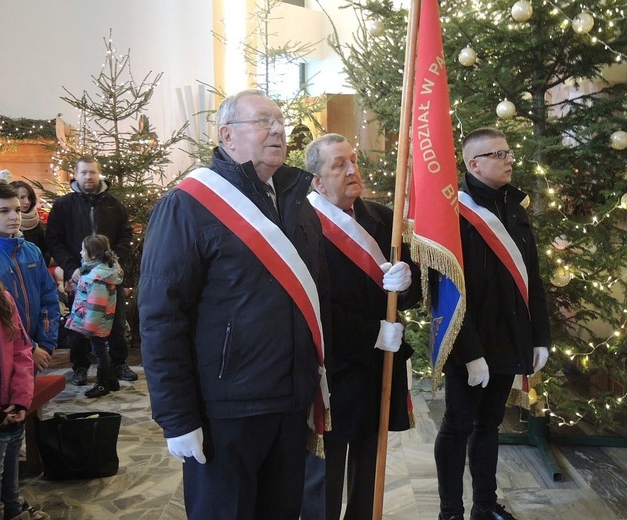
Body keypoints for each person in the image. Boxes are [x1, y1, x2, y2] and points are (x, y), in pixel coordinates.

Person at [138, 89, 330, 520]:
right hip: (225, 410)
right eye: (264, 121)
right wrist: (178, 417)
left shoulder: (299, 206)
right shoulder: (187, 205)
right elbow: (161, 318)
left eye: (281, 121)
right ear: (227, 135)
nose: (279, 129)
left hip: (290, 401)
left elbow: (319, 298)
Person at [301, 133, 422, 520]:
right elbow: (310, 308)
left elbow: (413, 289)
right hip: (331, 370)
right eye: (339, 164)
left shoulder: (380, 218)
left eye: (353, 160)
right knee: (325, 476)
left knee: (369, 472)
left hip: (376, 370)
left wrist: (407, 280)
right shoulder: (300, 226)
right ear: (317, 180)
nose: (353, 170)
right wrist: (372, 333)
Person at [434, 128, 551, 520]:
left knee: (490, 424)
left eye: (508, 152)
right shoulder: (454, 215)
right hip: (469, 342)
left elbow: (532, 279)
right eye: (498, 154)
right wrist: (470, 354)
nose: (509, 160)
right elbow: (445, 293)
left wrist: (540, 338)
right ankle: (450, 511)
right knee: (457, 425)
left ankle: (484, 505)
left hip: (509, 339)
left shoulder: (515, 208)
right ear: (473, 164)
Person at [0, 182, 58, 520]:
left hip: (22, 359)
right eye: (5, 211)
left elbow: (48, 299)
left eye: (17, 209)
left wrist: (45, 344)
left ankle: (11, 503)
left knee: (13, 442)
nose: (15, 216)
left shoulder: (31, 251)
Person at [46, 155, 137, 385]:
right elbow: (54, 240)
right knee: (79, 323)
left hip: (108, 276)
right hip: (79, 277)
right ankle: (80, 366)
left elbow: (126, 235)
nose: (89, 176)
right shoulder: (63, 205)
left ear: (99, 174)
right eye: (84, 172)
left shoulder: (113, 204)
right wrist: (72, 267)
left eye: (93, 172)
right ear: (75, 175)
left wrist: (112, 260)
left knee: (115, 321)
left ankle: (119, 363)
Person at [0, 235, 34, 520]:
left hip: (6, 406)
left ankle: (10, 510)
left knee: (4, 464)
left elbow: (22, 350)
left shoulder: (1, 297)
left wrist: (20, 400)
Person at [65, 234, 123, 398]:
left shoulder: (98, 277)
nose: (81, 253)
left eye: (84, 250)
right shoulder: (97, 269)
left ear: (94, 253)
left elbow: (97, 306)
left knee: (100, 353)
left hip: (95, 324)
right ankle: (112, 381)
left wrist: (89, 328)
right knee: (101, 351)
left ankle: (102, 384)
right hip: (97, 322)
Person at [10, 180, 50, 266]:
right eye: (22, 197)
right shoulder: (8, 223)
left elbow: (46, 250)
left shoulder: (37, 222)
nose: (27, 202)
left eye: (29, 198)